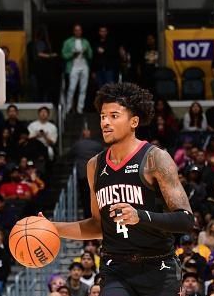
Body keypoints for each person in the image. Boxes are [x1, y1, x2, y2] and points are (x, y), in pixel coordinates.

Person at [41, 82, 194, 296]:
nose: (105, 122)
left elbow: (186, 220)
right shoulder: (94, 165)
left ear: (134, 121)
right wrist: (52, 227)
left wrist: (139, 216)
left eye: (114, 116)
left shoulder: (155, 158)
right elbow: (97, 225)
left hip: (158, 266)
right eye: (103, 116)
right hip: (116, 269)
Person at [62, 24, 93, 114]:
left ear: (81, 31)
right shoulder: (68, 42)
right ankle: (68, 108)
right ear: (73, 31)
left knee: (83, 89)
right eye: (76, 30)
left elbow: (91, 55)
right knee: (72, 88)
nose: (78, 32)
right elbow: (63, 54)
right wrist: (72, 54)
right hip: (73, 67)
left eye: (79, 30)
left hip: (84, 66)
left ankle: (80, 108)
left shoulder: (85, 42)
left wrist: (87, 51)